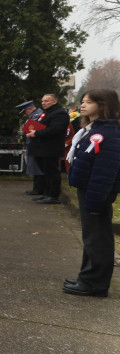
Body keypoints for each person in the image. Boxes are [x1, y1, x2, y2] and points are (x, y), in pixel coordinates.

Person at [63, 88, 120, 297]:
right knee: (90, 237)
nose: (82, 105)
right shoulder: (94, 128)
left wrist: (96, 203)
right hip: (88, 189)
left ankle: (95, 284)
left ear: (103, 104)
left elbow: (105, 172)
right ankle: (86, 277)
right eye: (82, 101)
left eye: (88, 102)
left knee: (98, 239)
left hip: (96, 192)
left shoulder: (109, 133)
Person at [26, 93, 68, 205]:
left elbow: (55, 129)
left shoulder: (60, 113)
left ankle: (53, 195)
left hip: (50, 148)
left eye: (47, 101)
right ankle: (46, 193)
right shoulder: (47, 112)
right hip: (42, 148)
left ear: (55, 101)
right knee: (45, 172)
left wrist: (37, 133)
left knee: (52, 172)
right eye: (43, 101)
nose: (43, 103)